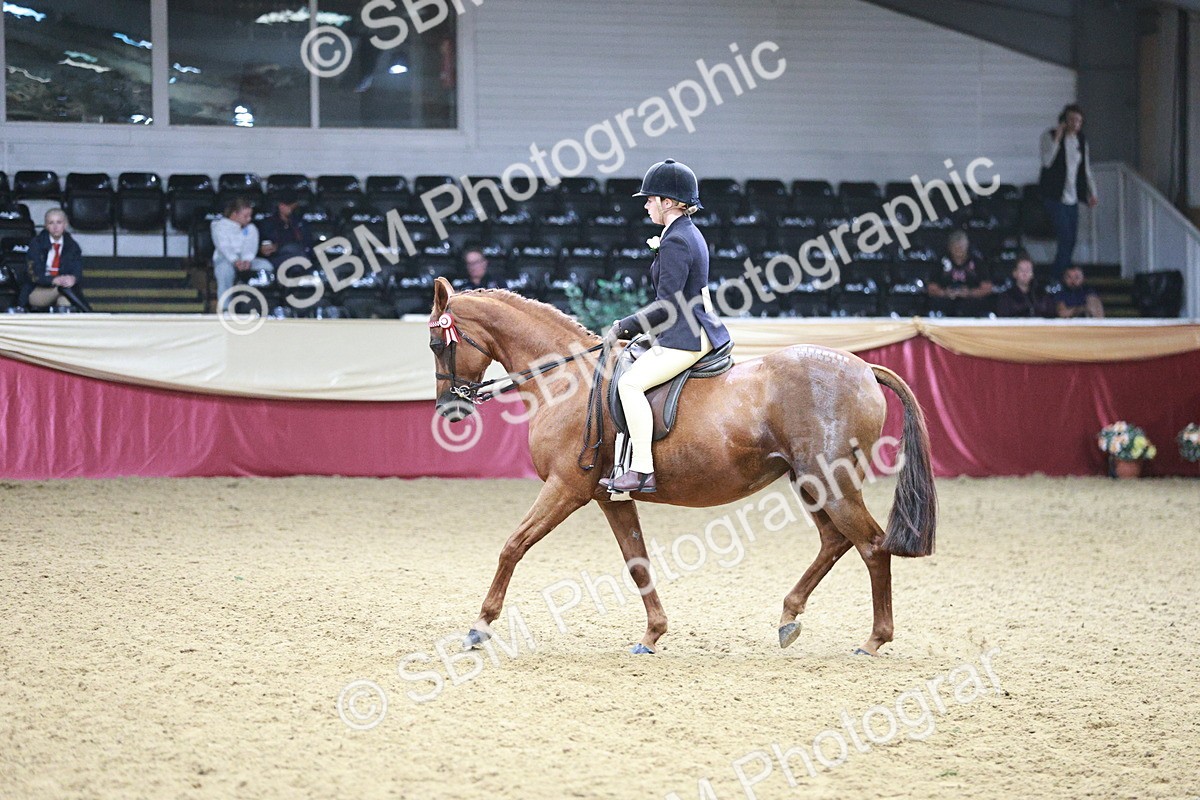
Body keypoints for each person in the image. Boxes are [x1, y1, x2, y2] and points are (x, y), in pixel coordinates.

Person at [599, 159, 732, 495]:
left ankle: (642, 470)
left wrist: (623, 326)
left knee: (629, 384)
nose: (645, 205)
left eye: (649, 199)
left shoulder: (675, 240)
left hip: (687, 333)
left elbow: (667, 305)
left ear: (667, 202)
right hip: (692, 325)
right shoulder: (685, 233)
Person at [1040, 103, 1098, 278]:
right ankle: (1057, 277)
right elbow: (1047, 162)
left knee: (1071, 239)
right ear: (1064, 120)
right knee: (1065, 236)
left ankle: (1062, 275)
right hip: (1054, 196)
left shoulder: (1081, 140)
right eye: (1072, 119)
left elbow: (1086, 169)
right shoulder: (1048, 136)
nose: (1075, 124)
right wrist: (1057, 139)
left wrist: (1093, 191)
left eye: (1079, 120)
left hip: (1072, 197)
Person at [21, 208, 92, 312]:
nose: (55, 227)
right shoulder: (36, 244)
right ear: (46, 226)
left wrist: (73, 278)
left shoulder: (73, 246)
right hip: (37, 291)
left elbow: (77, 270)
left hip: (63, 290)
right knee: (63, 289)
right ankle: (89, 313)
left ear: (65, 224)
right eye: (51, 223)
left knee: (65, 301)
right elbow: (33, 274)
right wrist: (53, 280)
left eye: (59, 222)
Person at [211, 197, 271, 312]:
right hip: (225, 259)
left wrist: (247, 260)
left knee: (266, 266)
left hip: (246, 260)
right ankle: (225, 307)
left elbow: (251, 246)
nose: (249, 219)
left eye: (250, 216)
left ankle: (263, 304)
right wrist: (235, 260)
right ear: (234, 214)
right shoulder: (219, 226)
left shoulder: (251, 228)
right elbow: (224, 246)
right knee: (224, 272)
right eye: (245, 216)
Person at [927, 230, 993, 316]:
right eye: (955, 247)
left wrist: (969, 293)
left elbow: (987, 288)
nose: (958, 250)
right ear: (949, 247)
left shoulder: (977, 262)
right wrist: (945, 293)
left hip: (972, 304)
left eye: (961, 247)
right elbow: (931, 288)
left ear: (967, 246)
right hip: (945, 303)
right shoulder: (941, 261)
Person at [256, 189, 313, 269]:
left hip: (298, 256)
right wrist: (264, 249)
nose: (284, 207)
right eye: (283, 204)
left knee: (298, 256)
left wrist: (279, 246)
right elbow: (263, 245)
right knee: (298, 257)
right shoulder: (268, 223)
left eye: (288, 205)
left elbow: (307, 244)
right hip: (276, 258)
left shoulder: (300, 223)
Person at [995, 252, 1055, 318]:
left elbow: (1051, 316)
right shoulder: (1005, 297)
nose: (1025, 273)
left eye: (1028, 270)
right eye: (1021, 270)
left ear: (1032, 274)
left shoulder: (1042, 294)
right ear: (1015, 273)